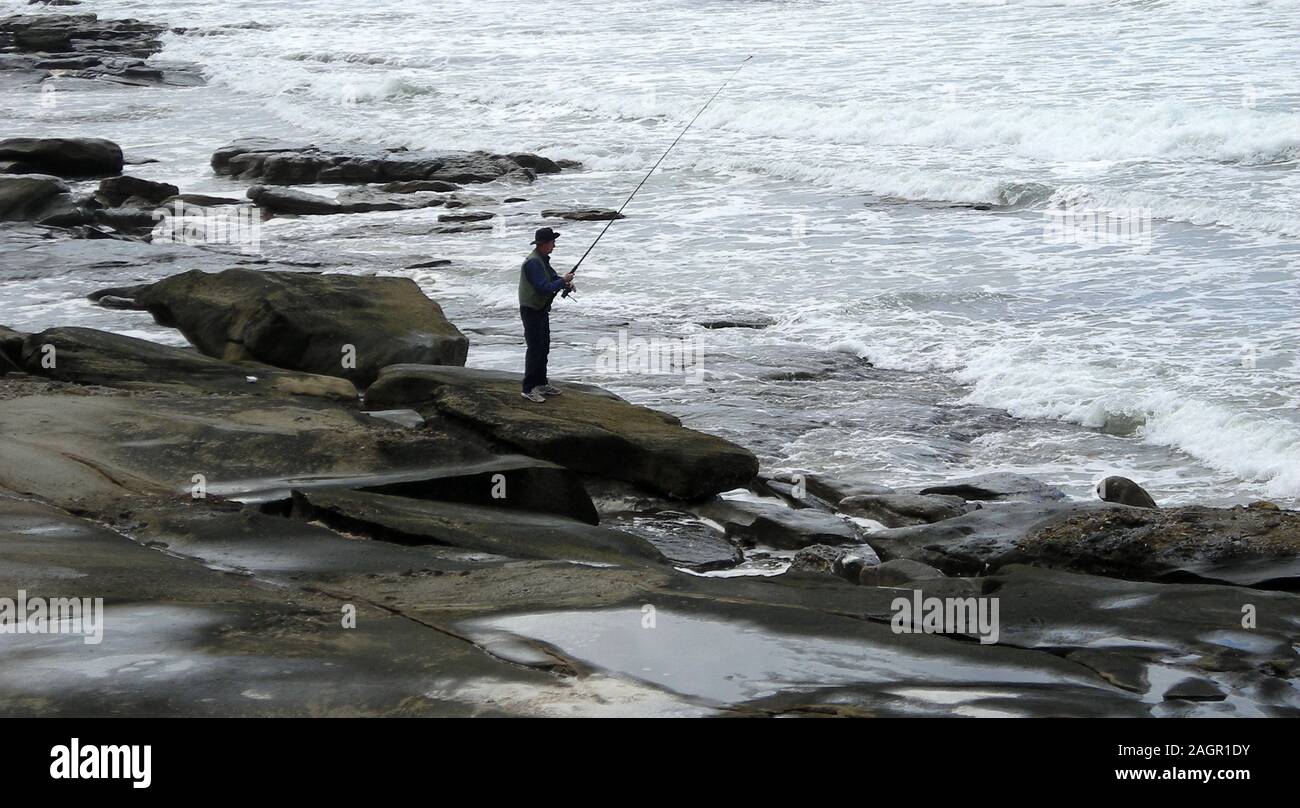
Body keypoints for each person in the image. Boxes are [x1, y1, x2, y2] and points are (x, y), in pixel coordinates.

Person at [518, 226, 575, 402]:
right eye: (552, 242)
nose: (554, 245)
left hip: (540, 310)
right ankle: (528, 388)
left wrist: (564, 283)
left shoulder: (542, 259)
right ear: (544, 244)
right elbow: (543, 288)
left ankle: (541, 383)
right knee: (535, 349)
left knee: (544, 347)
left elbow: (552, 278)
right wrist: (563, 281)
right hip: (531, 310)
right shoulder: (533, 262)